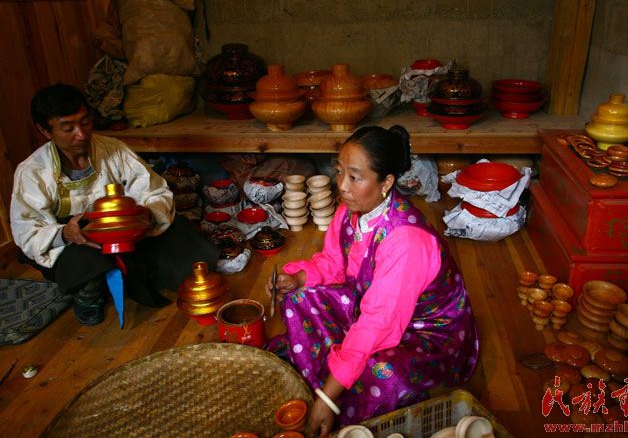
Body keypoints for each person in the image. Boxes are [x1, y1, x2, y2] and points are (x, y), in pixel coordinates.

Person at [265, 125, 479, 435]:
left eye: (355, 177)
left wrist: (329, 398)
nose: (343, 186)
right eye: (340, 172)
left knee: (384, 374)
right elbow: (334, 263)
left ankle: (332, 387)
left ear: (386, 182)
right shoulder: (349, 212)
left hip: (426, 332)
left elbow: (379, 323)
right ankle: (334, 373)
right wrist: (298, 278)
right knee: (300, 297)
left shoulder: (407, 240)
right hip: (376, 307)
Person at [10, 83, 220, 326]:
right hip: (77, 239)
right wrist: (65, 233)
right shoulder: (33, 171)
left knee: (179, 230)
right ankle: (88, 297)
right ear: (45, 131)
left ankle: (141, 274)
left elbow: (152, 190)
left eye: (85, 122)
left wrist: (147, 214)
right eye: (68, 128)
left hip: (126, 230)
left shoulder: (113, 149)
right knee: (85, 261)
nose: (81, 134)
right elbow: (27, 229)